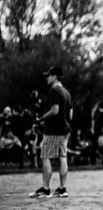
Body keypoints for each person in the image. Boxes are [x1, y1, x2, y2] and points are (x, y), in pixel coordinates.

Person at [29, 66, 73, 198]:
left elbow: (55, 110)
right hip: (65, 130)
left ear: (54, 76)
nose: (47, 78)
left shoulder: (54, 91)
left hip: (54, 131)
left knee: (45, 156)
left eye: (49, 75)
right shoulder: (67, 93)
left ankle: (46, 189)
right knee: (62, 157)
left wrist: (41, 119)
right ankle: (62, 188)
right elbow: (70, 115)